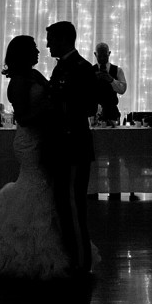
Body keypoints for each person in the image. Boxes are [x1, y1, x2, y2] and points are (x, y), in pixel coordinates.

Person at [0, 35, 97, 279]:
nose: (39, 51)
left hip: (44, 138)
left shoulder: (34, 76)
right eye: (34, 49)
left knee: (46, 188)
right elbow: (23, 117)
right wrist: (47, 108)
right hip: (30, 140)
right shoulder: (17, 83)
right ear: (24, 54)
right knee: (36, 185)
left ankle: (68, 249)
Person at [47, 20, 101, 276]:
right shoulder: (61, 69)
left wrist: (65, 106)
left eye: (51, 39)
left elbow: (89, 107)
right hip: (62, 146)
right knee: (64, 206)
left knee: (73, 205)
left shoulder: (82, 68)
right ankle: (73, 257)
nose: (47, 45)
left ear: (64, 40)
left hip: (74, 145)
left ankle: (81, 263)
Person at [93, 42, 127, 124]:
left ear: (109, 53)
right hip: (95, 113)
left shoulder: (118, 70)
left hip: (112, 113)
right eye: (99, 56)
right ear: (95, 54)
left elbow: (122, 90)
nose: (102, 58)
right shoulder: (90, 71)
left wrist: (111, 80)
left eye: (105, 55)